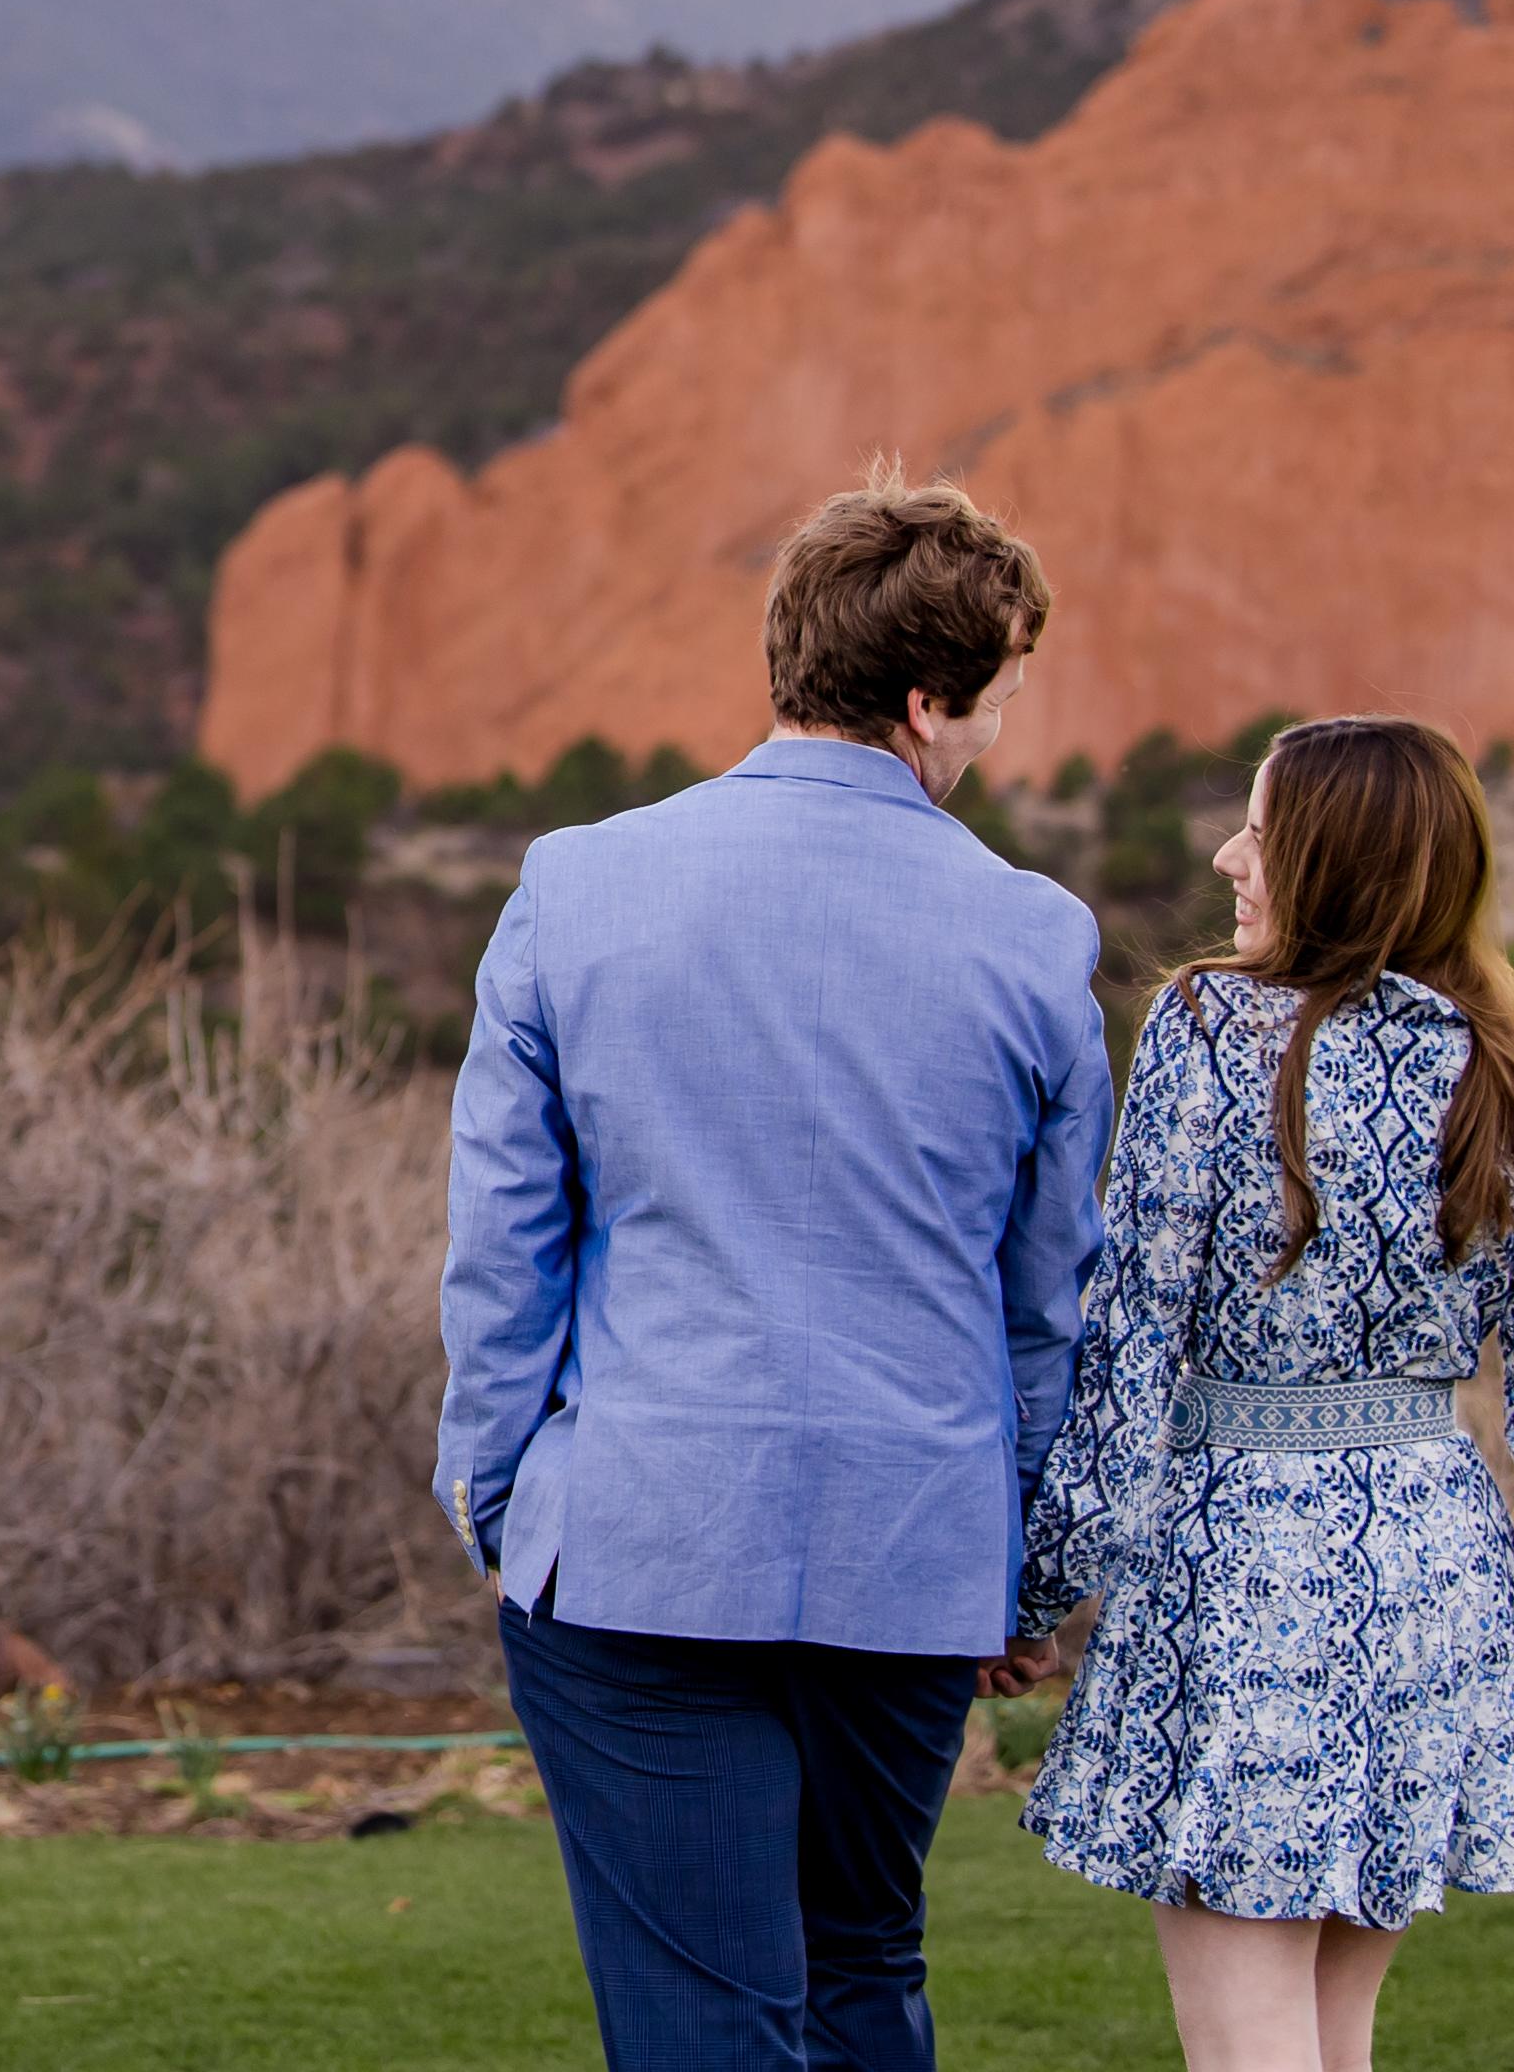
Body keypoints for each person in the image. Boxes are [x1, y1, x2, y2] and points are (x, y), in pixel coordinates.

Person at [442, 463, 1111, 2072]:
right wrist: (1024, 1560)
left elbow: (507, 1244)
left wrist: (499, 1498)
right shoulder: (1035, 936)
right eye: (1004, 694)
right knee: (862, 1966)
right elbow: (1046, 1300)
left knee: (705, 2009)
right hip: (912, 1542)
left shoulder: (577, 885)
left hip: (637, 1534)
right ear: (932, 701)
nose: (1000, 729)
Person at [1013, 716, 1514, 2072]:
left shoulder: (1208, 1032)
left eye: (1260, 833)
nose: (1227, 857)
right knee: (1329, 2047)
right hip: (1432, 1582)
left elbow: (1129, 1344)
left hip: (1245, 1578)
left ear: (1334, 866)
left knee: (1253, 2052)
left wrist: (1029, 1595)